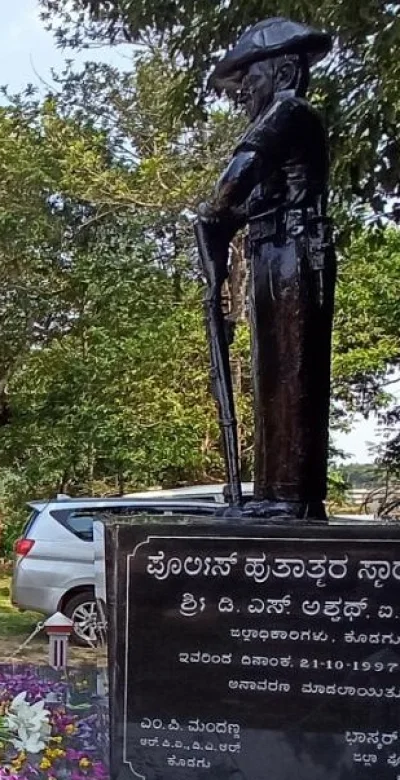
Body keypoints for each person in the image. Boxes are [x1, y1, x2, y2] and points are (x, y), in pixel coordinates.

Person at [197, 18, 335, 520]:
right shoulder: (280, 114)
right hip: (270, 253)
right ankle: (273, 494)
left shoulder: (289, 110)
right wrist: (217, 227)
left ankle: (293, 498)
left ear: (281, 72)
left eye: (252, 80)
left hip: (298, 249)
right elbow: (241, 204)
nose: (247, 93)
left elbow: (236, 178)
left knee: (292, 372)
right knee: (271, 372)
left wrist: (214, 214)